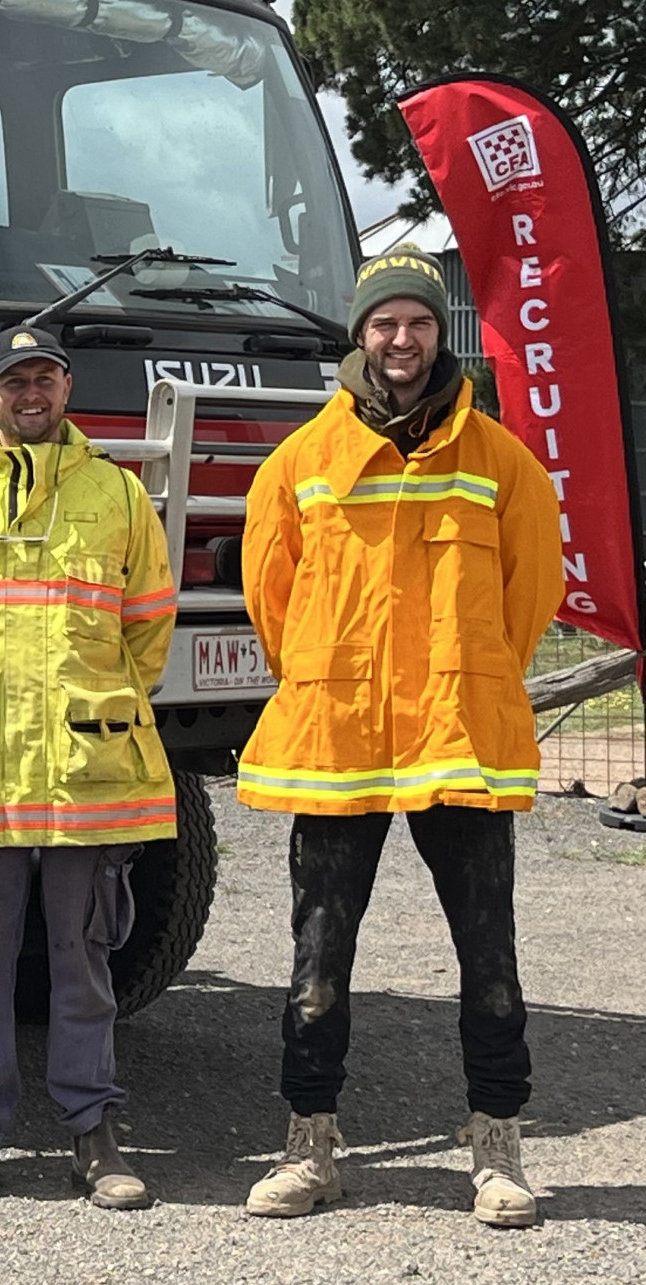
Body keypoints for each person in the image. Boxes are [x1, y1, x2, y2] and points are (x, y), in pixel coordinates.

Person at [237, 244, 563, 1228]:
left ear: (436, 332)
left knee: (490, 959)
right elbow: (271, 598)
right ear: (361, 334)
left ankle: (496, 1149)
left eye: (418, 321)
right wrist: (331, 673)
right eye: (384, 322)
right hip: (338, 743)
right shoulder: (301, 461)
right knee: (316, 965)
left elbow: (530, 595)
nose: (401, 338)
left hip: (457, 741)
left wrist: (469, 676)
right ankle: (309, 1149)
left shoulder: (500, 461)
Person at [0, 325, 178, 1212]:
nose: (31, 394)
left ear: (66, 387)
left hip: (83, 774)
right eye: (14, 380)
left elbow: (148, 626)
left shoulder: (119, 492)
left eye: (45, 378)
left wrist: (95, 706)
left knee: (84, 962)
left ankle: (94, 1136)